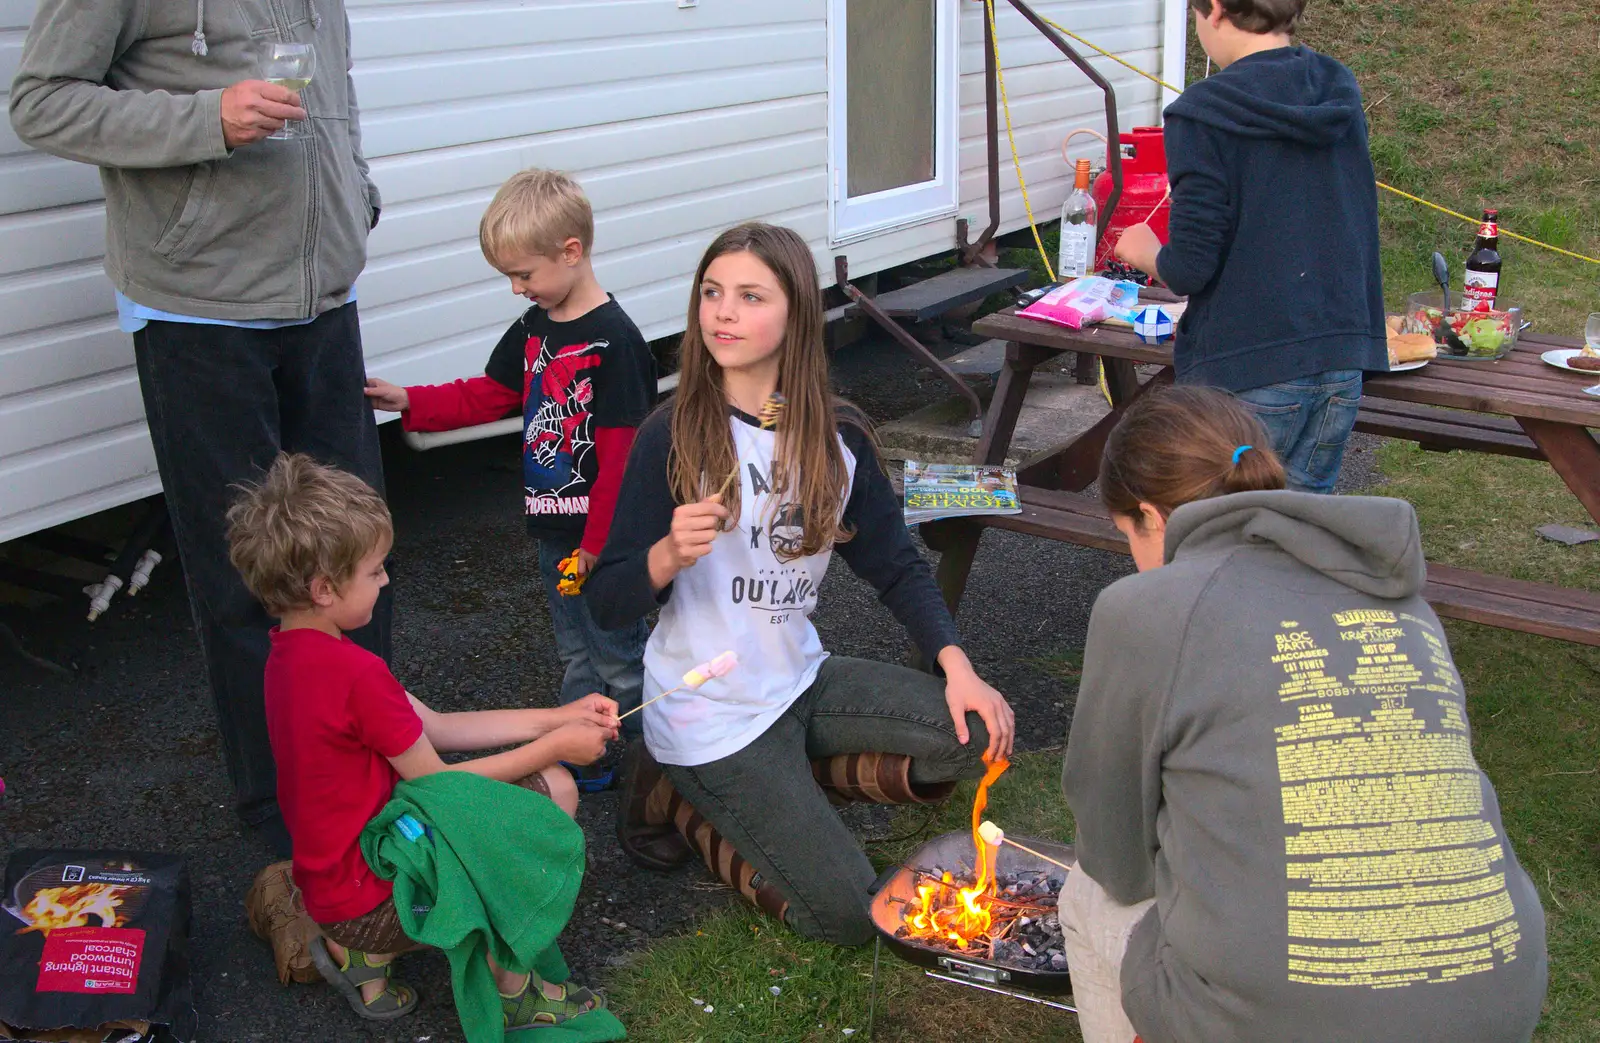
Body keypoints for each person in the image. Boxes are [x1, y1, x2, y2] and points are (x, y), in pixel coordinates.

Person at [11, 0, 388, 854]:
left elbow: (337, 90)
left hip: (325, 301)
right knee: (245, 579)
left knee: (361, 554)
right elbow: (41, 101)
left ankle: (380, 770)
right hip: (200, 310)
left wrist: (356, 197)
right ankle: (285, 820)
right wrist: (205, 117)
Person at [1059, 386, 1547, 1043]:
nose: (1134, 557)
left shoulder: (1142, 606)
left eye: (1128, 536)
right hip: (1498, 997)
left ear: (1150, 515)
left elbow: (1117, 859)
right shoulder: (1400, 599)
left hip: (1285, 1023)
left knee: (1085, 897)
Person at [584, 222, 1017, 946]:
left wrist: (957, 664)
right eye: (712, 293)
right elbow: (605, 601)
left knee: (978, 737)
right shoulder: (675, 433)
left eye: (750, 296)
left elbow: (896, 563)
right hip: (709, 711)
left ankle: (777, 793)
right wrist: (663, 555)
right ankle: (684, 799)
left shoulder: (837, 436)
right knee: (853, 917)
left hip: (797, 679)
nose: (723, 312)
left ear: (796, 316)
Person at [226, 453, 617, 1026]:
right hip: (375, 897)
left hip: (334, 887)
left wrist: (557, 717)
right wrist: (554, 750)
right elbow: (439, 787)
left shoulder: (290, 654)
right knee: (551, 790)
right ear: (325, 588)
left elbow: (436, 727)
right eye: (376, 571)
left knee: (517, 787)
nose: (386, 582)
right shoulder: (356, 675)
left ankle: (362, 956)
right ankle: (512, 991)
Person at [364, 170, 655, 773]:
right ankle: (588, 754)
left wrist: (600, 546)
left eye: (524, 274)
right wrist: (412, 401)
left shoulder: (616, 342)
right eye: (510, 276)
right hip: (556, 534)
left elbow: (623, 462)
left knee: (617, 654)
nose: (517, 289)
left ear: (571, 252)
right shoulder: (533, 329)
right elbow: (490, 394)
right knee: (575, 646)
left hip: (601, 544)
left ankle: (645, 767)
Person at [1112, 0, 1387, 494]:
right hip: (1341, 356)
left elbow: (1190, 268)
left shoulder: (1202, 113)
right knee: (1298, 534)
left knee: (1219, 532)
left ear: (1214, 10)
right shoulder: (1336, 86)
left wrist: (1142, 249)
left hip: (1249, 363)